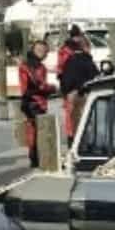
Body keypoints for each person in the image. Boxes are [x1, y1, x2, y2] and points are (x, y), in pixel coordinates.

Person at [19, 40, 55, 168]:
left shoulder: (39, 66)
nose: (42, 53)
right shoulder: (28, 66)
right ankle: (35, 160)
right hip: (33, 102)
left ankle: (36, 159)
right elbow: (32, 86)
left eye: (44, 51)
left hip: (36, 102)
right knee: (36, 131)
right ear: (33, 50)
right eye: (39, 50)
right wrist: (50, 88)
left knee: (35, 131)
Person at [59, 36, 99, 141]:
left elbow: (64, 79)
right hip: (84, 95)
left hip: (71, 95)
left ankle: (72, 143)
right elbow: (95, 78)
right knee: (85, 123)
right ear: (85, 47)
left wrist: (66, 93)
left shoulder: (68, 60)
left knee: (72, 124)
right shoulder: (87, 60)